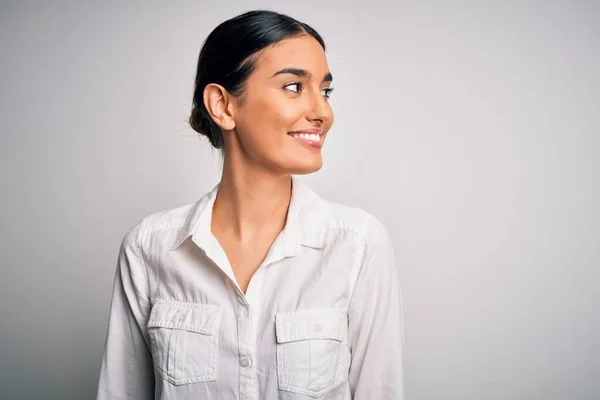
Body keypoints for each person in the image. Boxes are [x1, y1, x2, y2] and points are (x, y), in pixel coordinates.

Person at [97, 9, 404, 400]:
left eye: (325, 91)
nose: (323, 112)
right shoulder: (150, 247)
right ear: (223, 106)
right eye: (294, 86)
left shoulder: (358, 244)